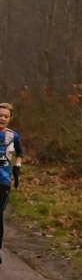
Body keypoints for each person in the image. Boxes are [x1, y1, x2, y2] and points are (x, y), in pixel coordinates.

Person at [0, 102, 23, 264]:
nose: (2, 118)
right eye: (0, 115)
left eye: (5, 116)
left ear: (10, 119)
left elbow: (20, 153)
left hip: (4, 180)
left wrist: (17, 166)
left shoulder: (13, 136)